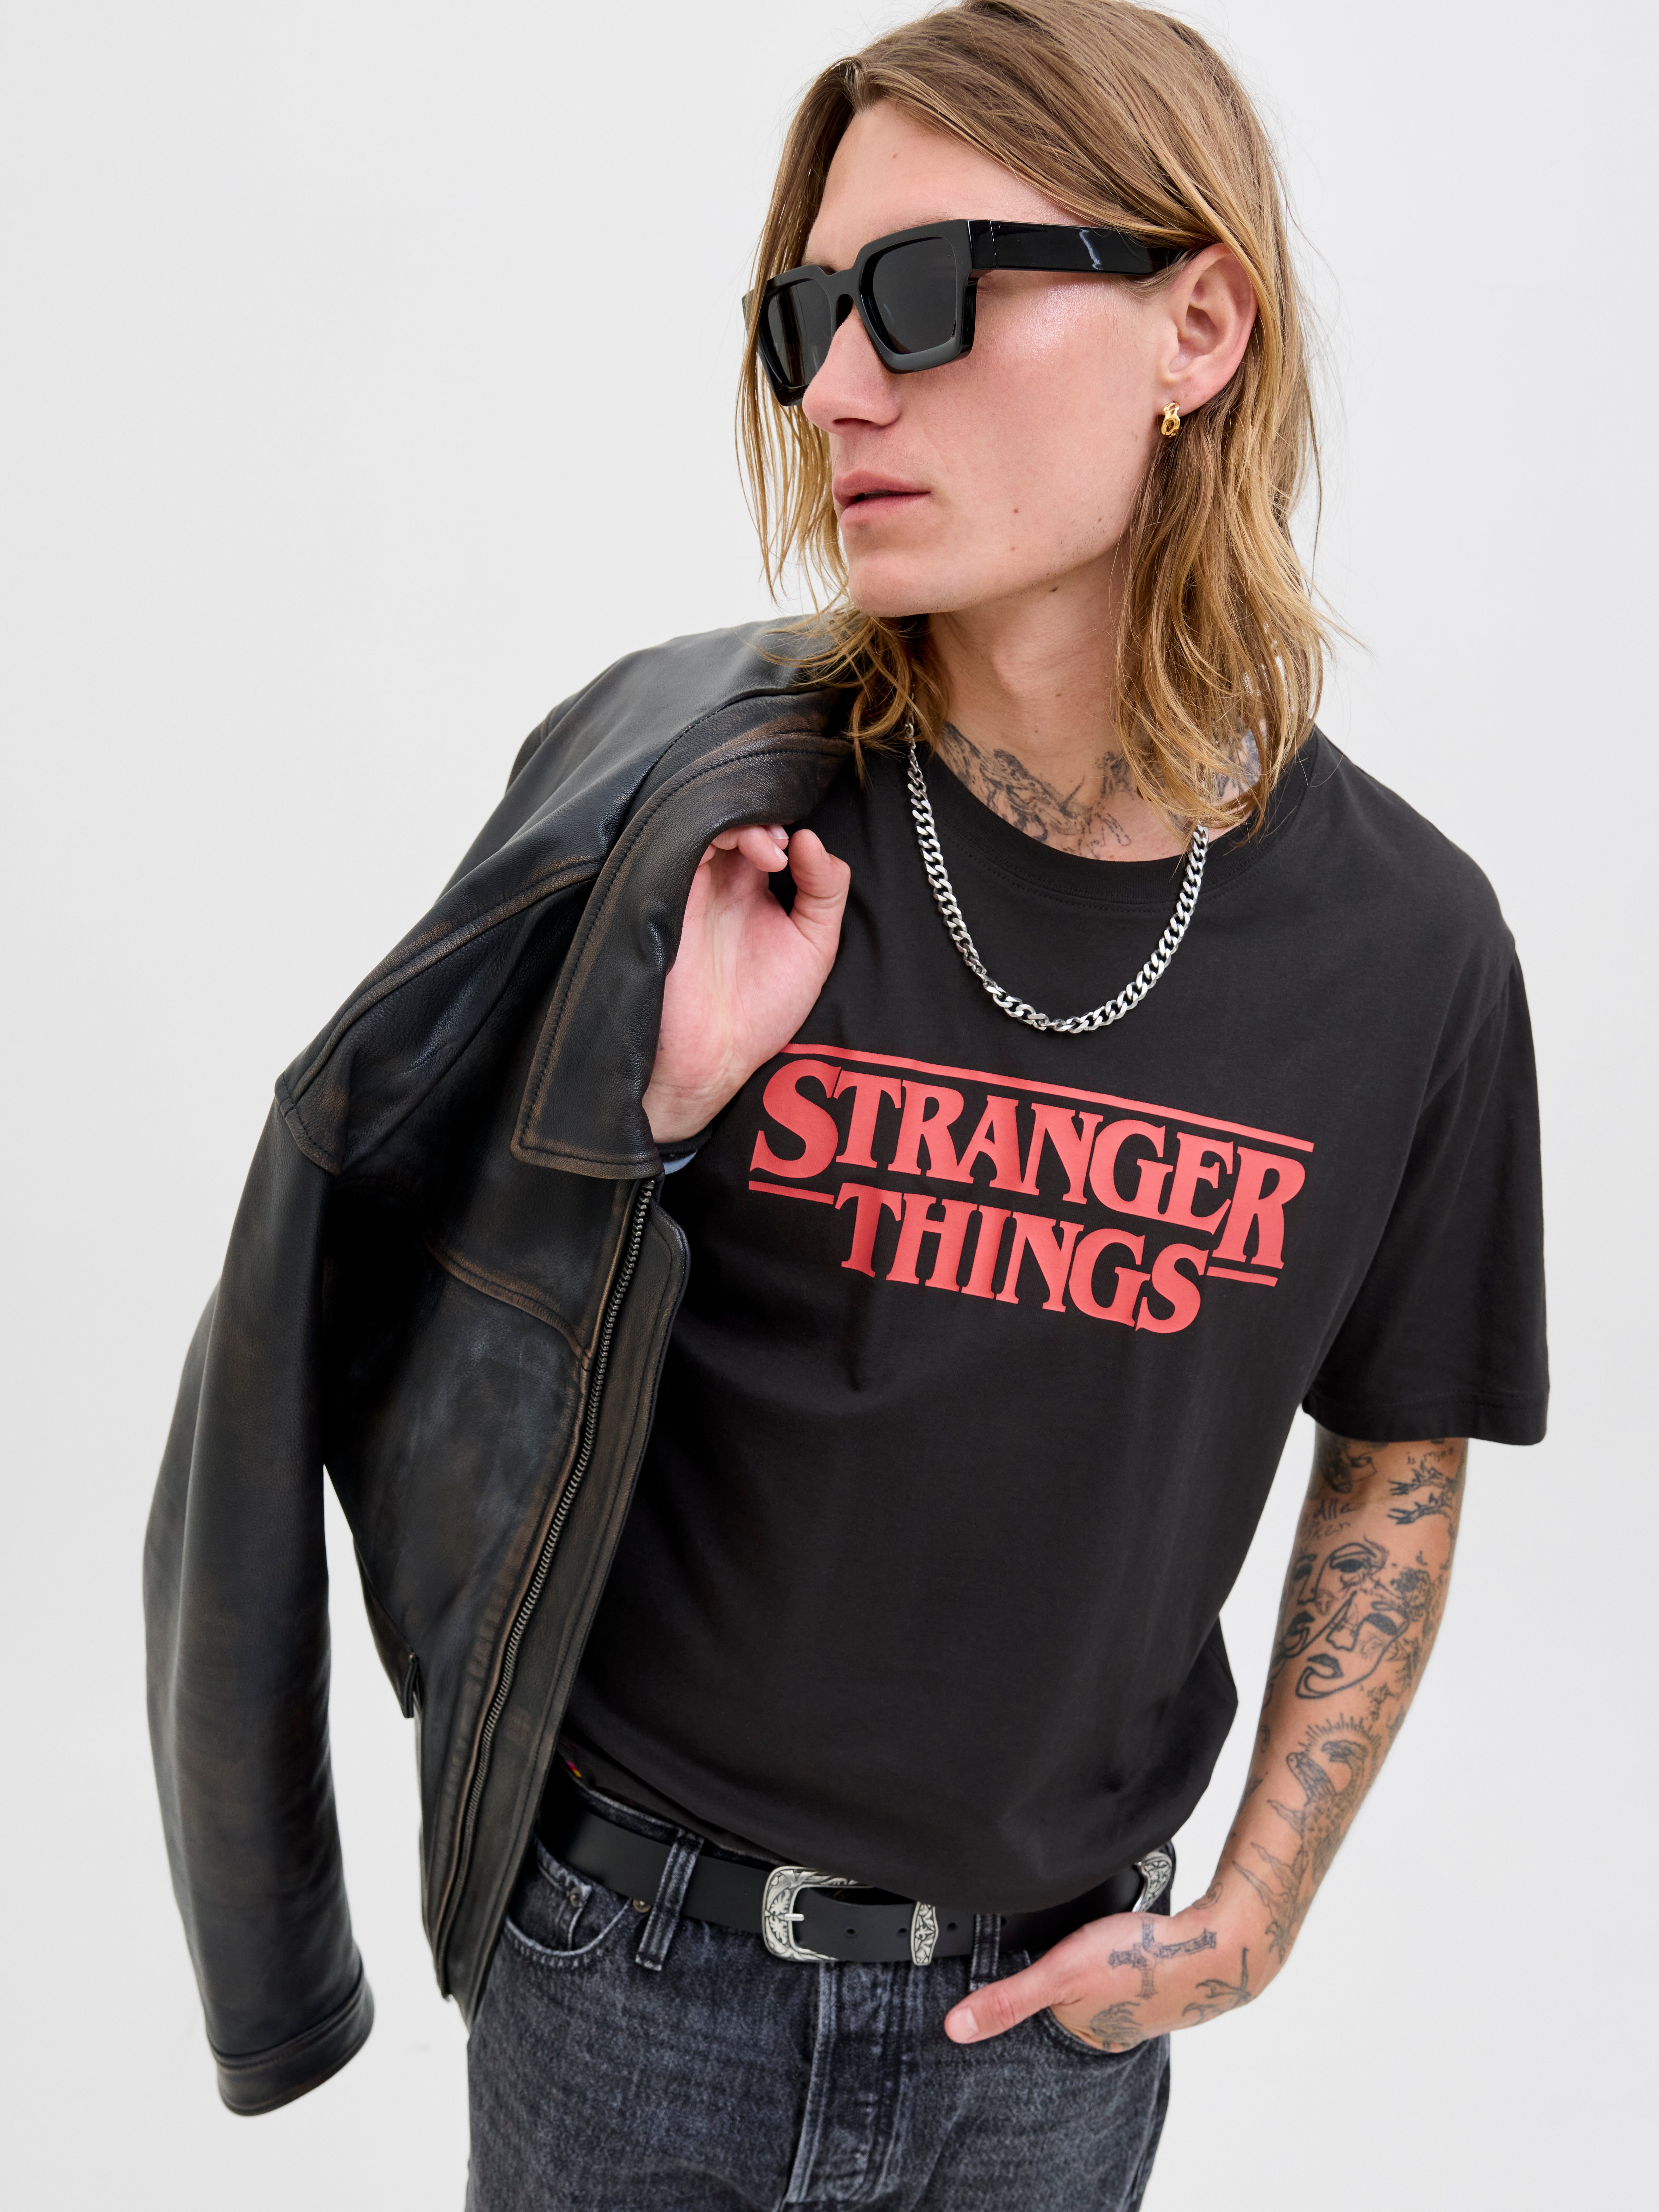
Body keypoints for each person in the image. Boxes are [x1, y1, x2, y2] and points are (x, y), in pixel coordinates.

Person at [144, 4, 1547, 2205]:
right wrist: (649, 1116)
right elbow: (385, 1323)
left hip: (1043, 2046)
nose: (836, 392)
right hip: (631, 1983)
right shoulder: (681, 801)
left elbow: (1399, 1434)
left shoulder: (1409, 948)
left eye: (927, 292)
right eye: (808, 316)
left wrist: (1258, 1906)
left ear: (1196, 326)